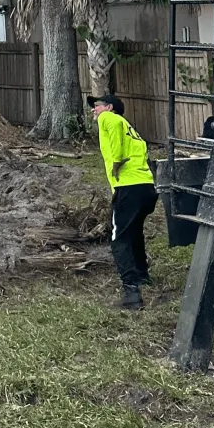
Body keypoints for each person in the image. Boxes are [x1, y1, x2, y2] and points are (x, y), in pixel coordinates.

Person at [89, 94, 157, 311]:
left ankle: (130, 292)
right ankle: (142, 276)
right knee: (134, 231)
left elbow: (116, 141)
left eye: (96, 106)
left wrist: (117, 162)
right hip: (146, 185)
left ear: (108, 107)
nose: (94, 110)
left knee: (119, 237)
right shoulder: (130, 127)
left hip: (128, 186)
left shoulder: (109, 118)